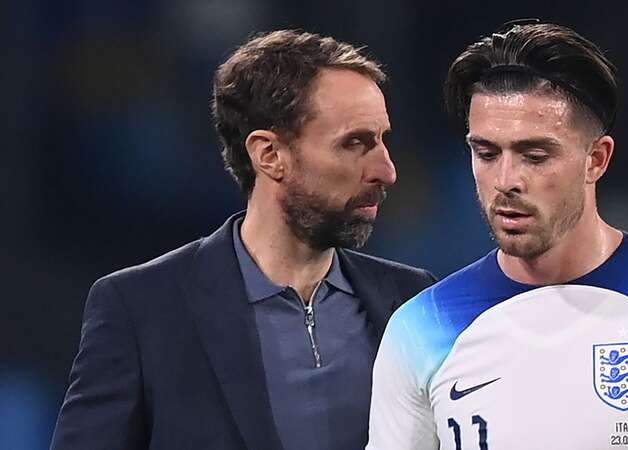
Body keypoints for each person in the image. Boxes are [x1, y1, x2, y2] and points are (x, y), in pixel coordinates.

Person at [367, 20, 628, 449]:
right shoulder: (419, 330)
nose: (505, 180)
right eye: (487, 153)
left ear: (596, 160)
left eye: (535, 155)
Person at [50, 29, 436, 450]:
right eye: (355, 143)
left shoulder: (414, 301)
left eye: (382, 140)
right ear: (268, 155)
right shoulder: (141, 309)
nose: (387, 171)